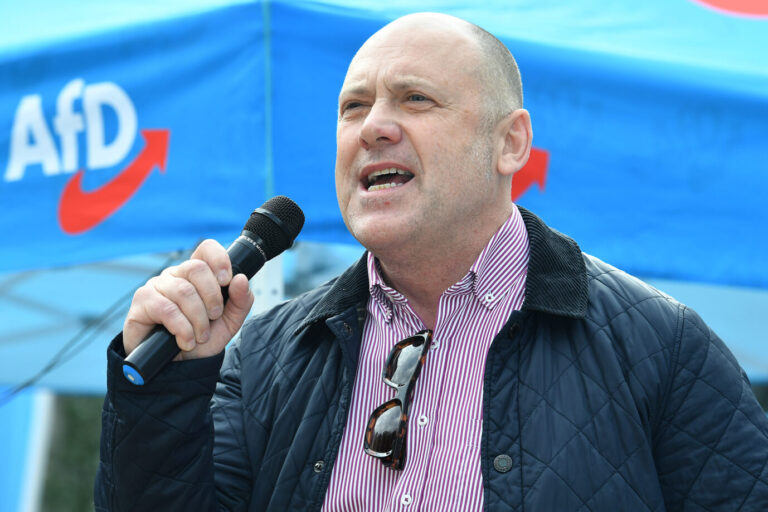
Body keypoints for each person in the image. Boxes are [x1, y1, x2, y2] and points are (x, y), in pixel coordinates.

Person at [94, 12, 768, 512]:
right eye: (353, 107)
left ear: (511, 144)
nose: (373, 127)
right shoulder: (266, 353)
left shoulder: (660, 345)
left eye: (415, 99)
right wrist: (165, 393)